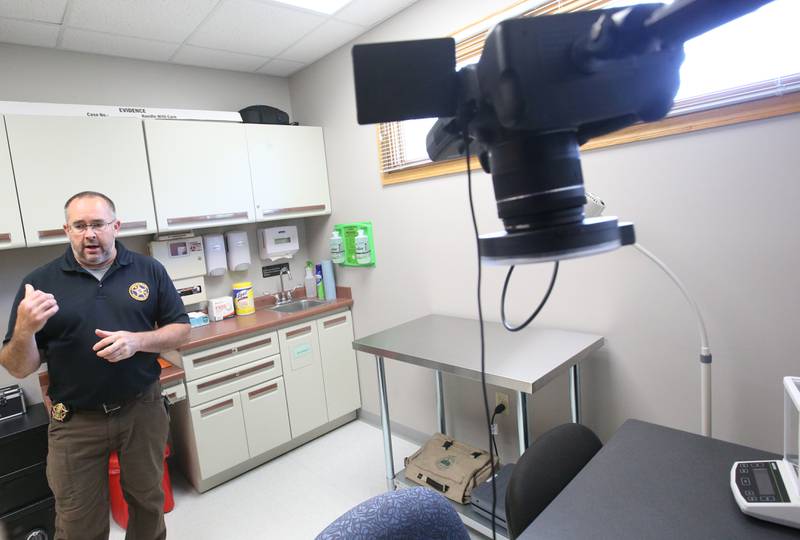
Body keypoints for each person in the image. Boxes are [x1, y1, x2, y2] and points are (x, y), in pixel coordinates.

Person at [0, 191, 190, 540]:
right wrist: (25, 330)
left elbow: (181, 330)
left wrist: (137, 341)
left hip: (141, 409)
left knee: (149, 502)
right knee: (77, 521)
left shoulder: (148, 270)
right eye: (80, 225)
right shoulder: (40, 284)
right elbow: (19, 368)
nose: (90, 234)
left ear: (115, 226)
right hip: (75, 422)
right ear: (67, 230)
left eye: (98, 224)